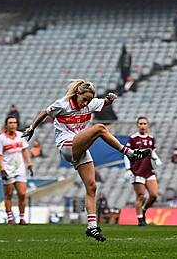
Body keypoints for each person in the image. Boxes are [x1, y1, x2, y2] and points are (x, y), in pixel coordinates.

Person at [22, 79, 150, 242]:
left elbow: (104, 104)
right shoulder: (63, 104)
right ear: (77, 94)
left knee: (92, 186)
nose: (86, 103)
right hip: (67, 146)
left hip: (80, 147)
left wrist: (109, 101)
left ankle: (92, 227)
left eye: (89, 100)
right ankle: (129, 153)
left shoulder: (91, 103)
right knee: (99, 128)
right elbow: (45, 112)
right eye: (84, 99)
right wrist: (31, 128)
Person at [124, 117, 161, 227]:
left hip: (149, 170)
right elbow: (126, 153)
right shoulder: (133, 138)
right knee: (140, 196)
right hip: (137, 171)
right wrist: (128, 169)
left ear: (147, 125)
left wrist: (156, 158)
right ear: (137, 125)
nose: (143, 125)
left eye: (145, 123)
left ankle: (144, 210)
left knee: (154, 195)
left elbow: (151, 150)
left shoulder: (151, 138)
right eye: (140, 123)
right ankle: (140, 220)